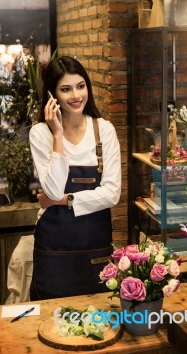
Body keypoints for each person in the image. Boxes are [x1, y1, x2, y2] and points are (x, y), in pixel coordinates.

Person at [28, 55, 121, 300]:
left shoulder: (104, 130)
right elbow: (53, 188)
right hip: (54, 247)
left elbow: (111, 194)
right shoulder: (41, 133)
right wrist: (58, 134)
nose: (76, 96)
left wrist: (64, 200)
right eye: (66, 89)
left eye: (81, 86)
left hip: (95, 244)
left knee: (99, 312)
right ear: (52, 95)